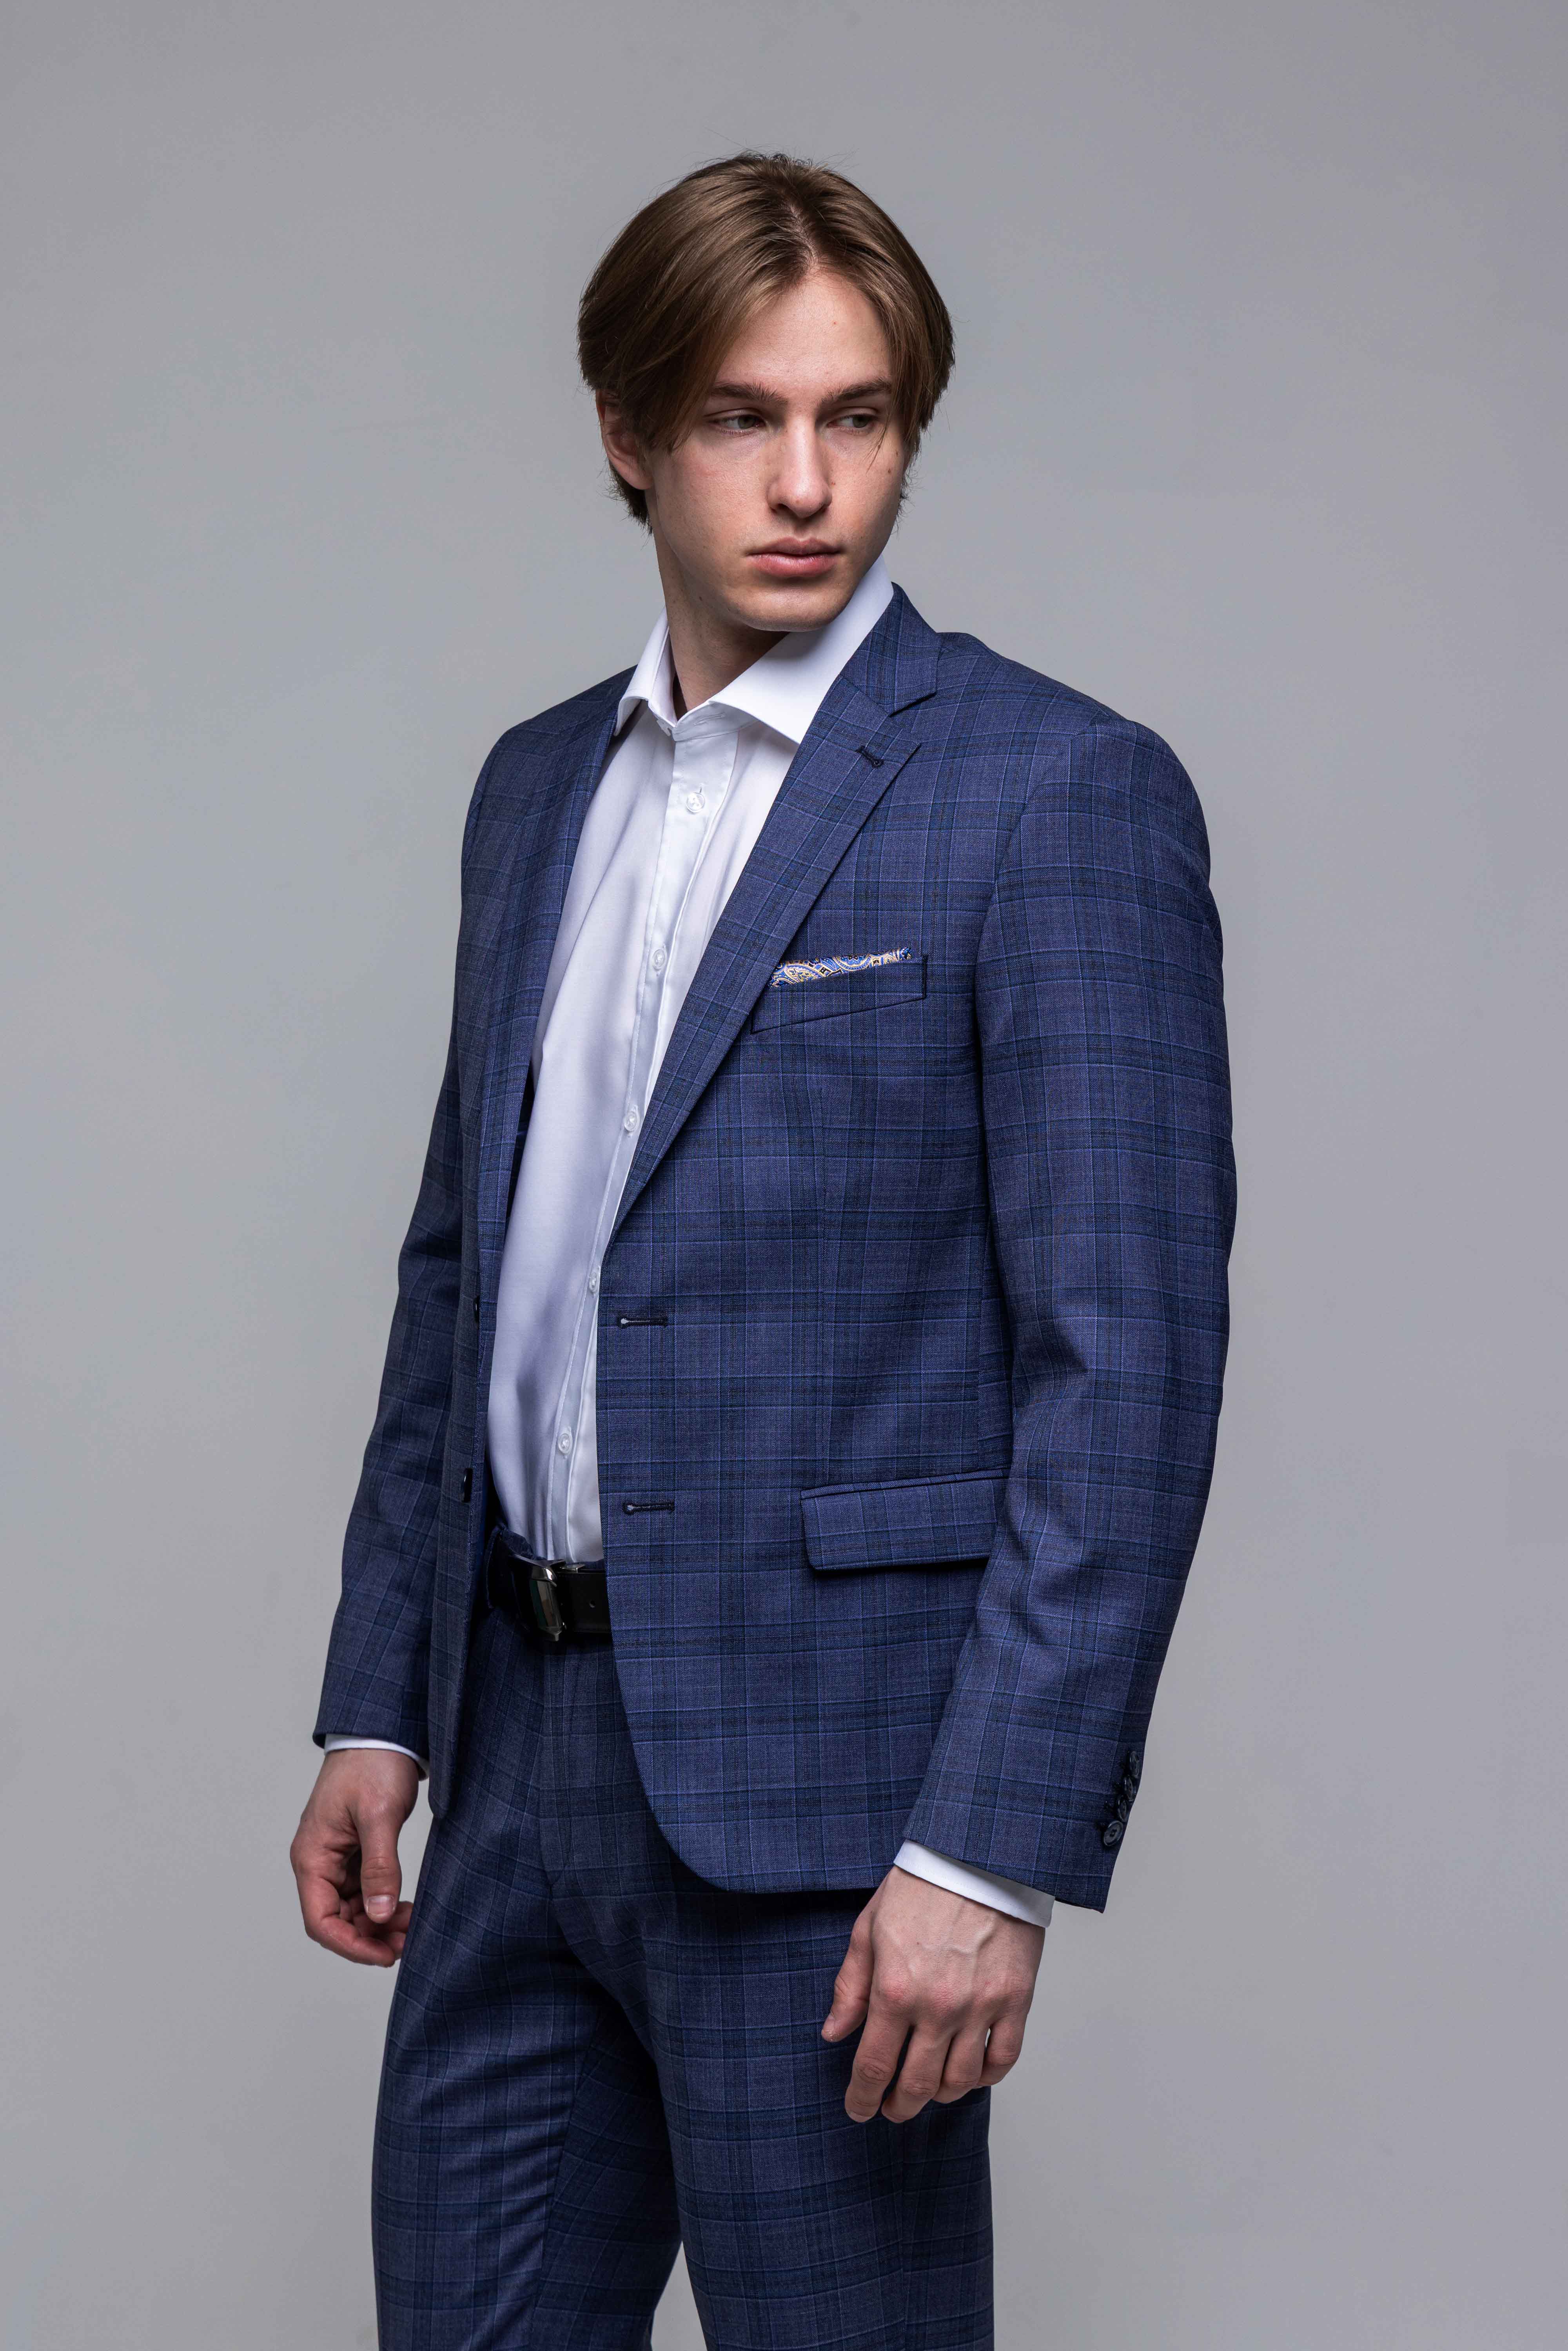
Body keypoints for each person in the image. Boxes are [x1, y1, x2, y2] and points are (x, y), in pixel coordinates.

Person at [290, 150, 1235, 2351]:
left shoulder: (1051, 793)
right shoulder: (536, 792)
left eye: (861, 418)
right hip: (510, 1766)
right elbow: (466, 1277)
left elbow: (1125, 1375)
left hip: (834, 1821)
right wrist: (377, 1705)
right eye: (743, 417)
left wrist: (989, 1850)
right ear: (629, 434)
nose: (810, 484)